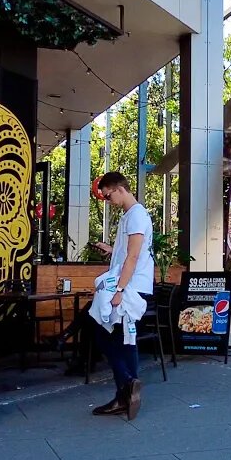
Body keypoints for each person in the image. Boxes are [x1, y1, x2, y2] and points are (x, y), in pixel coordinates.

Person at [88, 171, 153, 420]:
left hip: (130, 286)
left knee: (105, 333)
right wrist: (112, 250)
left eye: (107, 196)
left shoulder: (136, 215)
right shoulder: (133, 215)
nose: (108, 201)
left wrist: (119, 290)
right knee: (125, 337)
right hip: (132, 284)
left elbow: (134, 256)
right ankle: (126, 391)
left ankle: (127, 385)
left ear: (119, 189)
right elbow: (129, 252)